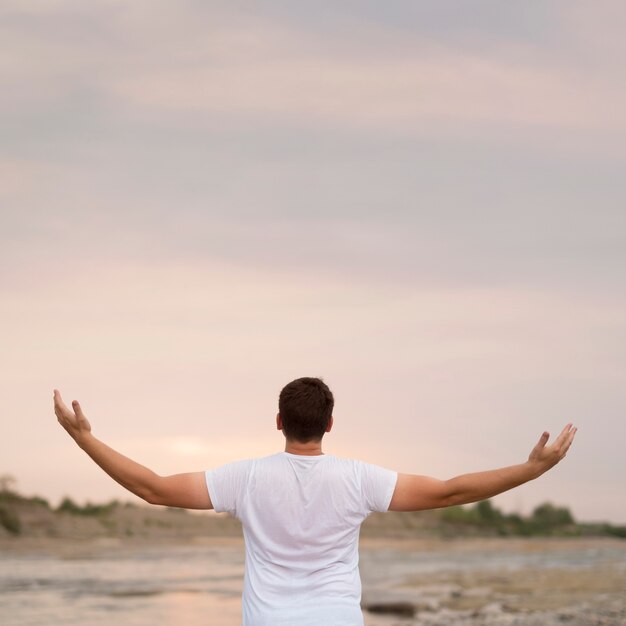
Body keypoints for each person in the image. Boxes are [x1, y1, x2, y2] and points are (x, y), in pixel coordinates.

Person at [54, 377, 576, 626]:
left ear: (279, 422)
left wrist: (84, 439)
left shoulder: (245, 478)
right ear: (329, 424)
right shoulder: (357, 478)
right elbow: (451, 491)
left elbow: (152, 487)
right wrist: (533, 469)